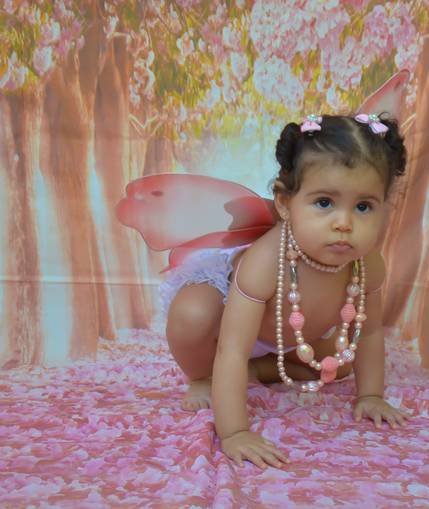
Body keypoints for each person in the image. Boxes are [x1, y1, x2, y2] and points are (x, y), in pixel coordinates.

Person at [159, 112, 411, 470]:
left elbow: (368, 332)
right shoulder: (265, 262)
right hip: (227, 329)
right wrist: (235, 433)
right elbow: (232, 349)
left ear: (385, 207)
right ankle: (201, 376)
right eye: (324, 203)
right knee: (192, 314)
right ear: (284, 203)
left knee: (340, 364)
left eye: (363, 207)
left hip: (288, 335)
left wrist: (371, 394)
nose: (344, 223)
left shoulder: (366, 262)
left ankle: (263, 369)